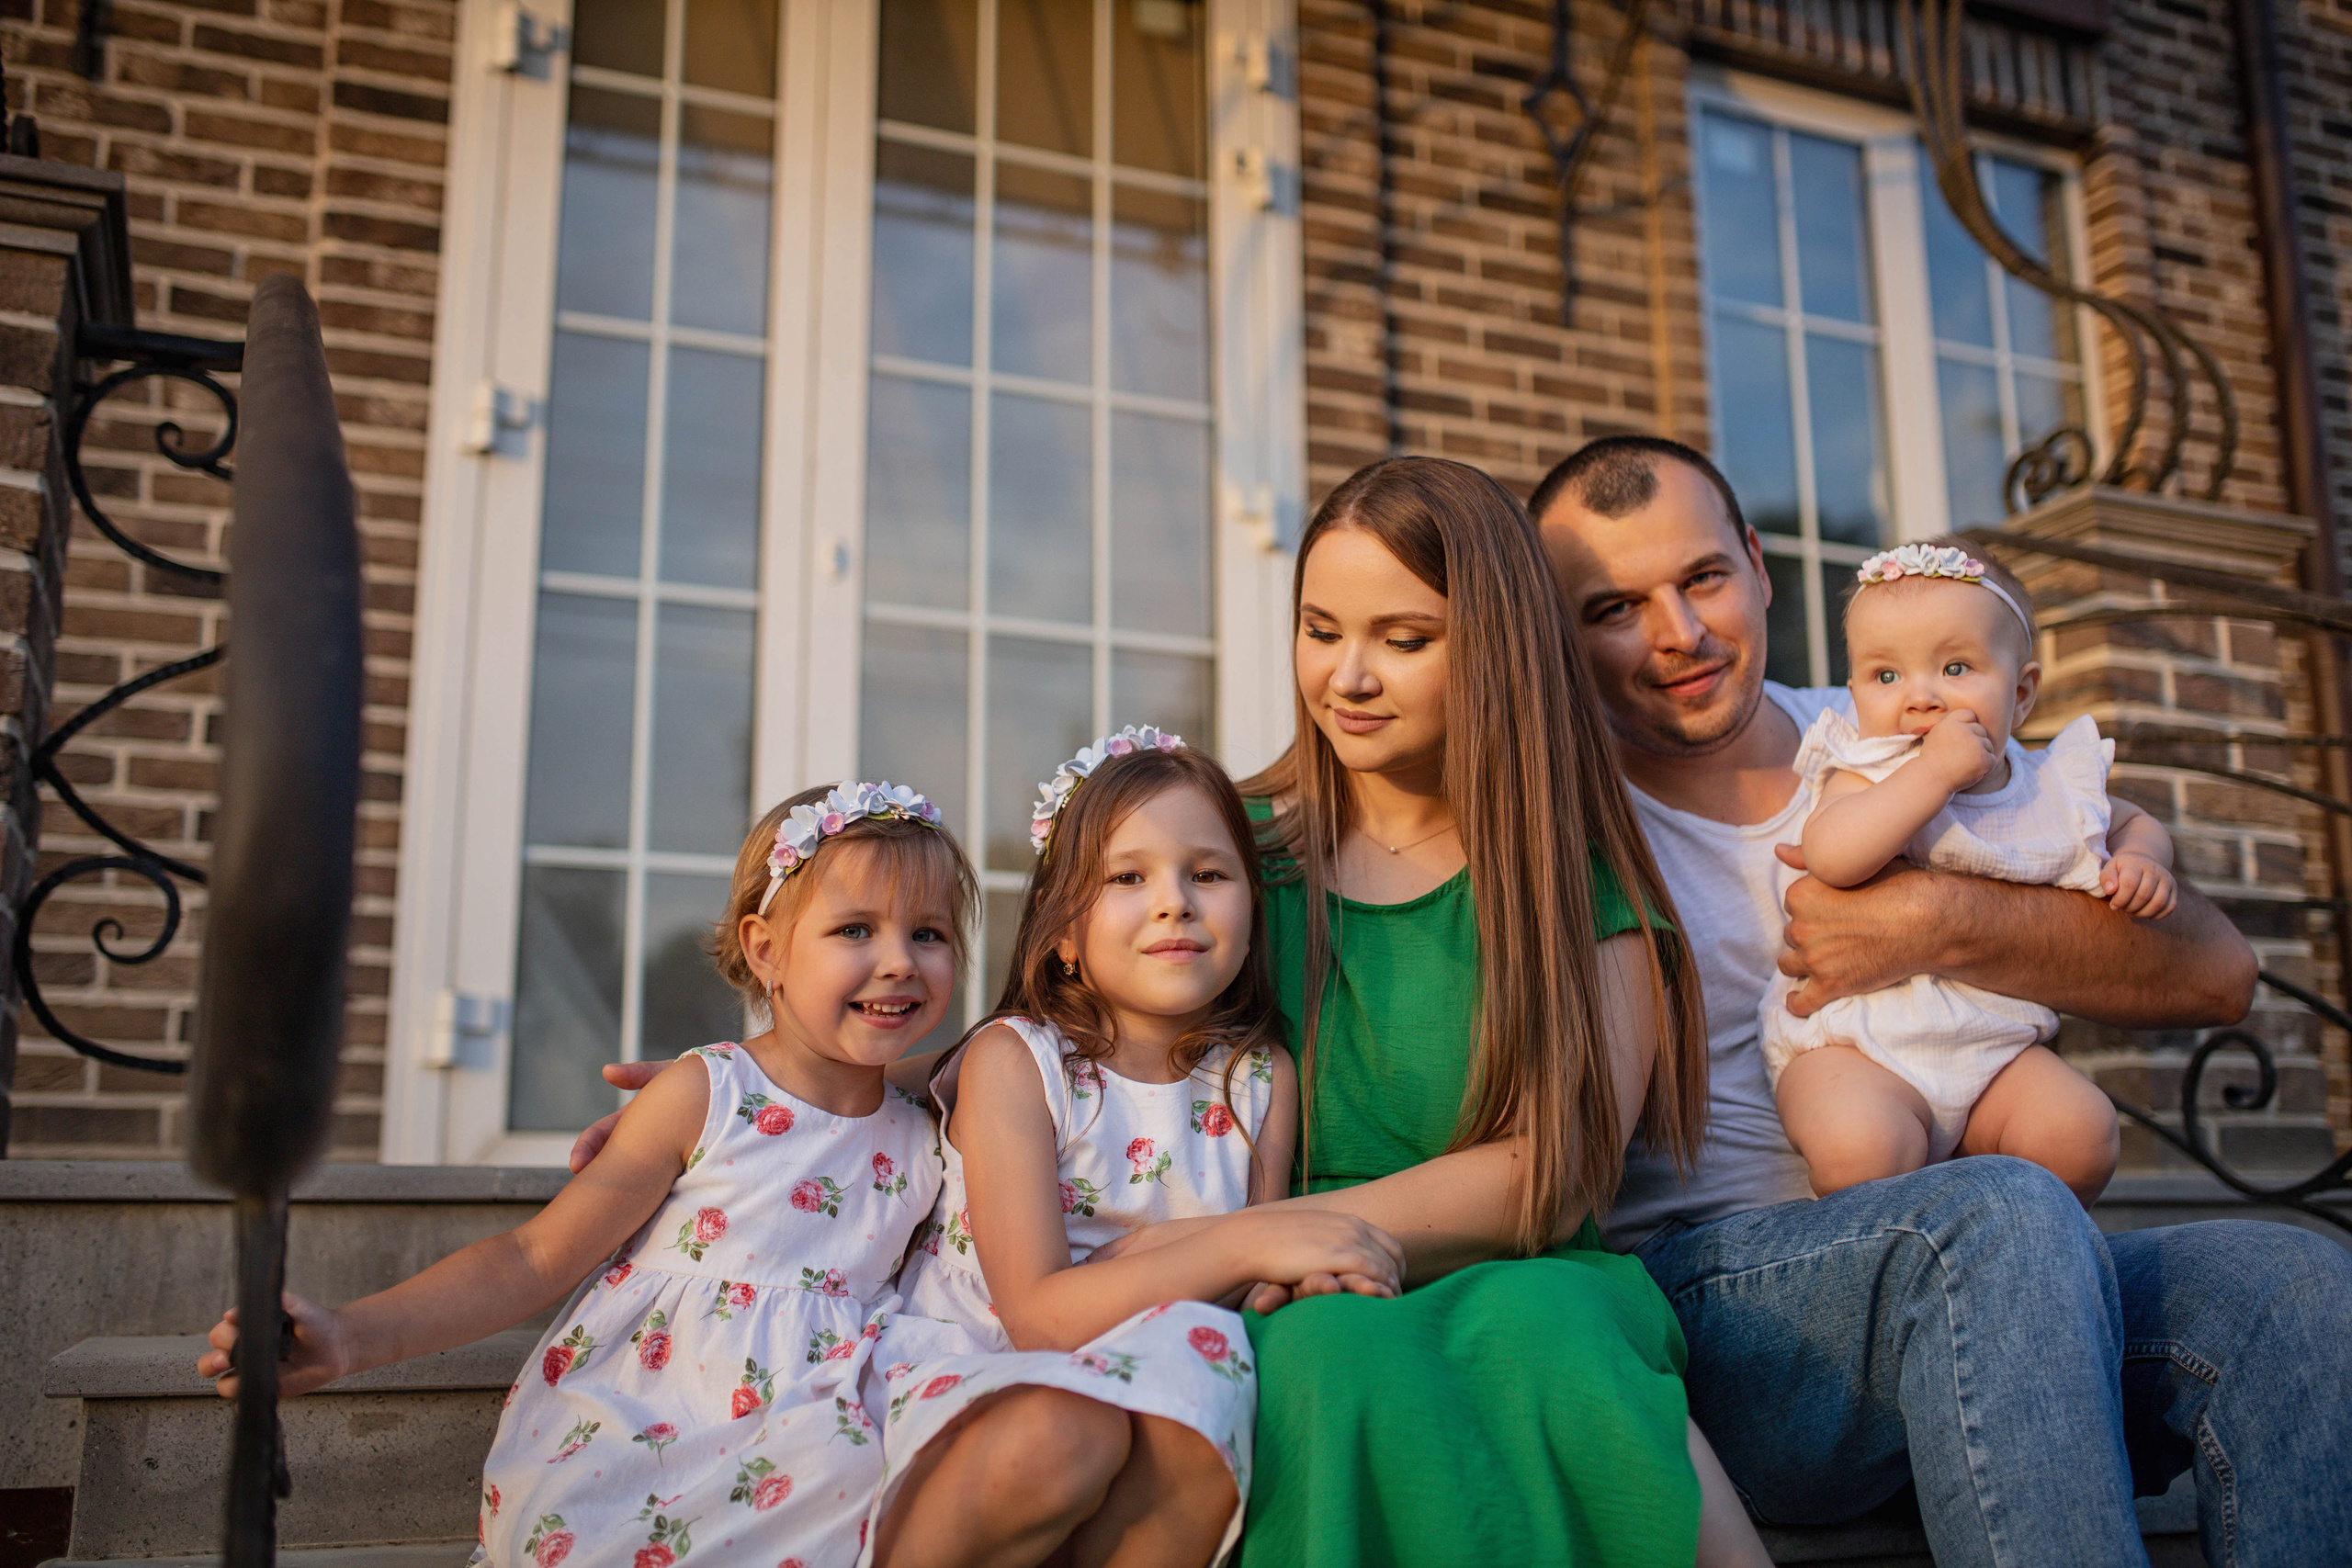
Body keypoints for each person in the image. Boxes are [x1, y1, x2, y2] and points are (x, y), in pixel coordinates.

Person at [584, 457, 1773, 1568]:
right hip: (1265, 1289)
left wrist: (1268, 1234)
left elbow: (1553, 1173)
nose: (1347, 677)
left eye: (1403, 640)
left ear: (1499, 649)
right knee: (1326, 1359)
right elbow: (1058, 1044)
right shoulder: (1217, 853)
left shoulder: (1575, 891)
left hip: (1487, 1261)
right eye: (1320, 630)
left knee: (1550, 1337)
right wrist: (766, 1088)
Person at [1532, 433, 2352, 1568]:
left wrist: (1935, 920)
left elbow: (2214, 972)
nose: (1678, 633)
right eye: (1613, 607)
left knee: (2288, 1286)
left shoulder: (1903, 716)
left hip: (1992, 1270)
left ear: (1758, 567)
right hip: (1731, 1311)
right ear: (1557, 631)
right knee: (2003, 1213)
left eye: (1702, 577)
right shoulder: (1553, 824)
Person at [201, 781, 975, 1568]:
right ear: (765, 948)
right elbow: (531, 1256)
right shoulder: (706, 1094)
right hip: (647, 1428)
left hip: (818, 1436)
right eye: (854, 929)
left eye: (929, 933)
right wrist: (348, 1337)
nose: (899, 962)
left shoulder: (925, 1129)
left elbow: (998, 1056)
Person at [863, 730, 1403, 1568]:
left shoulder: (1260, 1077)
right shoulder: (1020, 1062)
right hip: (989, 1378)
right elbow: (1038, 1314)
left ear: (1252, 915)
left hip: (1153, 1387)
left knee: (1204, 1422)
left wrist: (1302, 1270)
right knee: (1066, 1434)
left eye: (1209, 874)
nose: (1174, 901)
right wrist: (1252, 1241)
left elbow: (1253, 1283)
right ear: (1064, 933)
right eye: (1127, 877)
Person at [1762, 537, 2164, 1206]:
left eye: (1955, 667)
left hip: (1996, 1052)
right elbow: (1832, 854)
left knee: (2081, 1131)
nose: (1920, 698)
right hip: (1859, 1049)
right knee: (1861, 1148)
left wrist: (2143, 858)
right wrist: (1936, 772)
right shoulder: (1866, 769)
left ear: (2022, 692)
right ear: (1853, 690)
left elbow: (2132, 820)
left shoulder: (2048, 786)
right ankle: (1894, 1242)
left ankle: (2011, 1231)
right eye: (1885, 676)